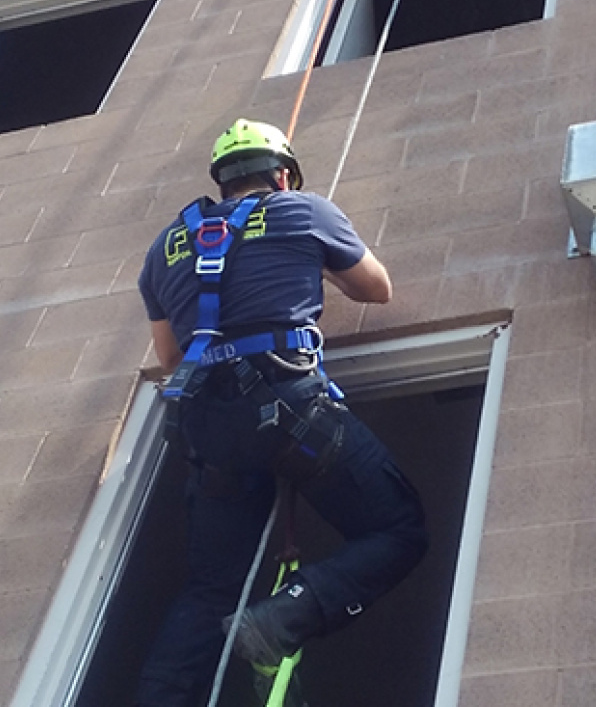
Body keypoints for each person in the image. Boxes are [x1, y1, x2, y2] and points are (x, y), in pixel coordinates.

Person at [134, 119, 429, 707]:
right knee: (396, 528)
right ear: (284, 175)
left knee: (211, 590)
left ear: (222, 182)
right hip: (287, 409)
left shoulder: (164, 247)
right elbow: (376, 289)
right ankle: (282, 618)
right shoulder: (304, 211)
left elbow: (168, 356)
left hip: (206, 430)